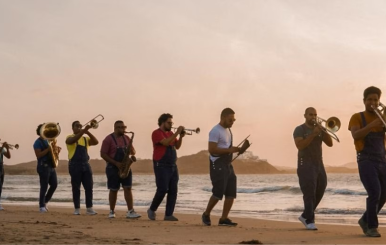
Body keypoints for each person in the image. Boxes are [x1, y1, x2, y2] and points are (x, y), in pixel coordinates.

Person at [349, 86, 386, 237]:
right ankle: (371, 227)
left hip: (382, 159)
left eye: (376, 100)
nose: (373, 102)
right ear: (364, 101)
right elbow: (356, 135)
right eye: (369, 99)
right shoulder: (357, 117)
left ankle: (365, 219)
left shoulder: (383, 118)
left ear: (379, 102)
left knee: (384, 194)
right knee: (375, 192)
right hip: (366, 160)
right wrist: (372, 125)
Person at [293, 107, 333, 230]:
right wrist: (313, 134)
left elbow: (330, 143)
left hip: (318, 162)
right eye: (310, 114)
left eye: (315, 114)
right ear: (305, 115)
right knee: (309, 191)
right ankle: (310, 220)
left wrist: (324, 131)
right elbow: (300, 146)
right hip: (305, 162)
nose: (313, 117)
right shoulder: (299, 129)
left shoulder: (319, 129)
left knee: (321, 187)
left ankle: (306, 215)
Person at [202, 108, 241, 226]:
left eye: (234, 120)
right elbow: (212, 149)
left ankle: (224, 218)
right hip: (217, 163)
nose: (232, 122)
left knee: (231, 192)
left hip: (228, 164)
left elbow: (226, 146)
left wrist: (237, 149)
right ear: (223, 117)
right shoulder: (215, 131)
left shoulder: (228, 130)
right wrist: (230, 150)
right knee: (218, 192)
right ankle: (206, 214)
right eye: (230, 120)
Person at [147, 113, 185, 221]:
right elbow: (165, 143)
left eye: (172, 123)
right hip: (161, 165)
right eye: (169, 122)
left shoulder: (171, 133)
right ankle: (152, 209)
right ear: (162, 123)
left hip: (172, 165)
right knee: (162, 189)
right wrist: (177, 132)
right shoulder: (156, 133)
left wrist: (181, 136)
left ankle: (168, 214)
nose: (171, 124)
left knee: (173, 190)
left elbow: (177, 146)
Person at [100, 120, 141, 219]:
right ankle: (111, 211)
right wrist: (116, 163)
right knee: (113, 189)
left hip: (126, 166)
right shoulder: (108, 139)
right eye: (119, 127)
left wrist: (131, 149)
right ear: (114, 128)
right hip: (112, 167)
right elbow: (103, 154)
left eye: (123, 127)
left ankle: (130, 211)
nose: (121, 129)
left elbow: (133, 152)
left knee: (128, 188)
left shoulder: (127, 138)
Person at [66, 121, 99, 215]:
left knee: (89, 187)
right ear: (72, 128)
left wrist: (87, 131)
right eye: (77, 126)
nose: (79, 127)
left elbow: (96, 142)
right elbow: (71, 141)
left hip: (86, 164)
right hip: (74, 165)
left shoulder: (85, 139)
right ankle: (77, 208)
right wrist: (83, 131)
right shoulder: (70, 137)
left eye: (80, 126)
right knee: (76, 187)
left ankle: (89, 208)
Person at [33, 124, 61, 213]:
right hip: (43, 165)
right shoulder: (37, 142)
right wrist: (48, 150)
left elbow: (53, 152)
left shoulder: (49, 140)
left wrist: (56, 151)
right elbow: (38, 155)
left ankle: (45, 201)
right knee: (44, 187)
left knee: (54, 184)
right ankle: (41, 206)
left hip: (51, 165)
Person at [0, 142, 11, 210]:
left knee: (1, 185)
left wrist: (7, 148)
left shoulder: (1, 149)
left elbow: (9, 156)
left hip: (1, 166)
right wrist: (3, 147)